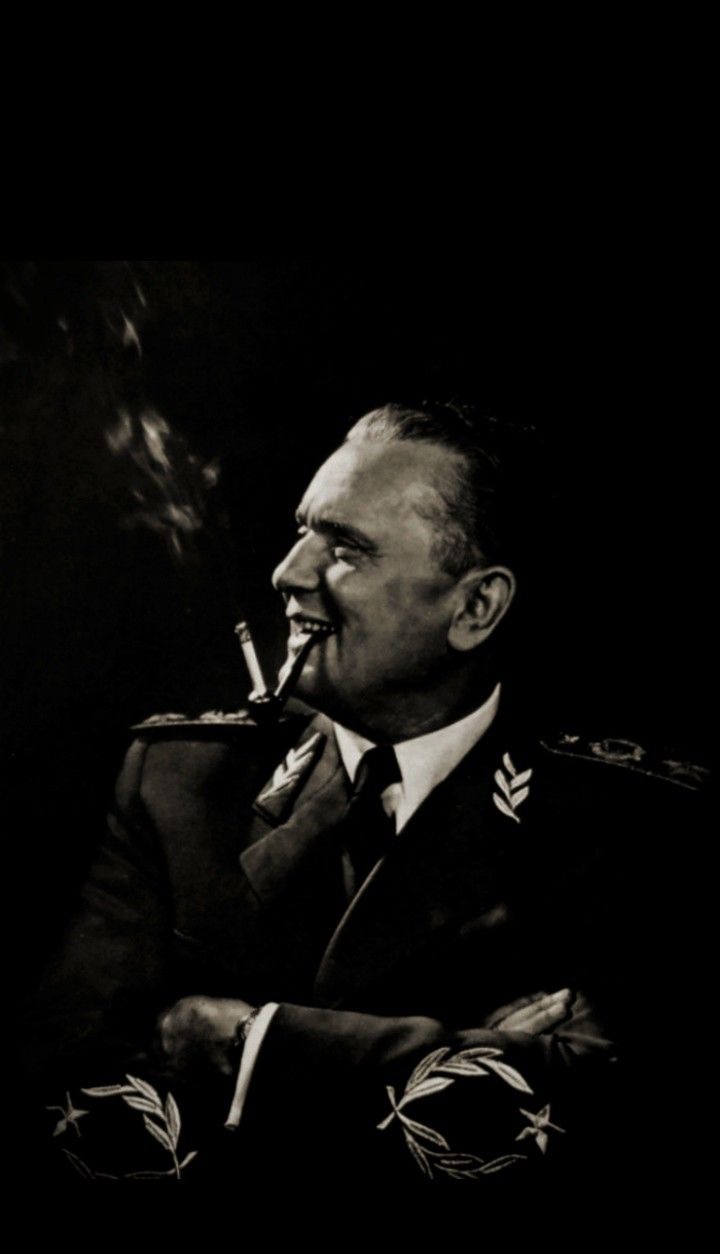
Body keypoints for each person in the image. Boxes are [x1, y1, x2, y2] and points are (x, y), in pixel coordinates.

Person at [24, 401, 707, 1190]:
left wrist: (250, 1046)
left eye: (345, 548)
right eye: (303, 531)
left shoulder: (632, 827)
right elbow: (63, 1089)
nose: (289, 574)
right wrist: (461, 1055)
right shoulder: (180, 783)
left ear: (475, 608)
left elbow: (613, 1116)